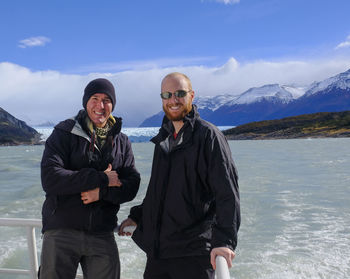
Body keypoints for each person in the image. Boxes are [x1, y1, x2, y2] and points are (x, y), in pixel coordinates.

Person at [119, 72, 240, 279]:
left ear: (191, 96)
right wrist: (137, 216)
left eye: (179, 93)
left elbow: (227, 194)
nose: (173, 100)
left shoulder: (208, 136)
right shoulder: (163, 140)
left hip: (193, 255)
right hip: (159, 254)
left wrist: (224, 242)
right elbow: (159, 191)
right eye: (167, 95)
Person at [39, 78, 140, 279]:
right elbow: (50, 178)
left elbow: (132, 185)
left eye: (106, 100)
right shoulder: (64, 132)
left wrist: (101, 193)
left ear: (113, 104)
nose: (100, 106)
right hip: (62, 229)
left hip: (101, 232)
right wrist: (101, 179)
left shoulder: (122, 141)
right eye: (95, 98)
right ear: (86, 102)